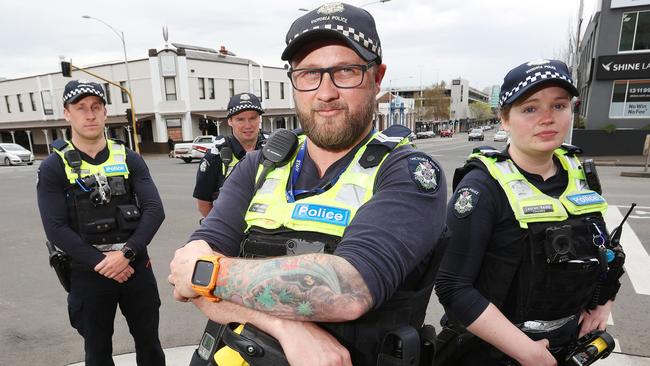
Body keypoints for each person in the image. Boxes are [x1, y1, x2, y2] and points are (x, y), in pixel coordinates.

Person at [169, 3, 447, 365]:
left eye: (346, 71)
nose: (325, 91)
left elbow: (346, 289)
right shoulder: (259, 167)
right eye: (309, 73)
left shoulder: (407, 173)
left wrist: (210, 273)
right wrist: (287, 328)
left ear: (378, 78)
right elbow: (182, 274)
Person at [435, 59, 625, 366]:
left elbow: (605, 249)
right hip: (492, 353)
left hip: (565, 346)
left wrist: (603, 302)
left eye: (559, 106)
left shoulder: (579, 174)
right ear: (505, 119)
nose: (547, 118)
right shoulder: (482, 186)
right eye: (530, 108)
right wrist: (526, 352)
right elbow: (453, 287)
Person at [37, 80, 166, 366]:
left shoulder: (129, 157)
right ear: (67, 113)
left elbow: (155, 209)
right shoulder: (53, 166)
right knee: (97, 352)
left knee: (150, 346)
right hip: (88, 273)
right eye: (80, 108)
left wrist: (127, 254)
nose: (90, 114)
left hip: (135, 267)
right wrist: (102, 262)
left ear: (106, 112)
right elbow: (55, 227)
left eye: (96, 107)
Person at [193, 92, 266, 217]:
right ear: (230, 121)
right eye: (240, 119)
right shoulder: (215, 156)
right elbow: (204, 205)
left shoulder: (274, 150)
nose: (248, 125)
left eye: (253, 118)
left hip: (268, 231)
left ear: (259, 119)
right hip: (232, 232)